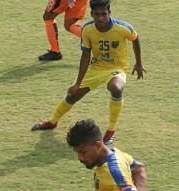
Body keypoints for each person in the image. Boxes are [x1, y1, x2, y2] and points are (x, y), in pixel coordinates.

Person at [32, 0, 145, 147]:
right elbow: (85, 56)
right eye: (97, 15)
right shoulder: (87, 30)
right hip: (96, 68)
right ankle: (52, 122)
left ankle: (110, 132)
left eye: (104, 14)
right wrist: (77, 83)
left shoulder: (123, 28)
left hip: (116, 68)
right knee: (72, 95)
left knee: (116, 88)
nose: (100, 18)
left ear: (109, 13)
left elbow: (135, 39)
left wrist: (139, 63)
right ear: (91, 14)